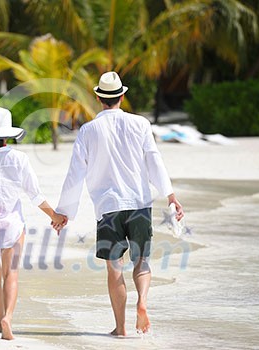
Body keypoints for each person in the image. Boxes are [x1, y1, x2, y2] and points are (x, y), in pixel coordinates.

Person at [53, 72, 184, 336]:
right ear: (122, 97)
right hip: (139, 203)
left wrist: (64, 212)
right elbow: (153, 160)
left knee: (115, 269)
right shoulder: (141, 124)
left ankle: (121, 328)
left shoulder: (88, 131)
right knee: (142, 260)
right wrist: (169, 194)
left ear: (99, 98)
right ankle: (143, 302)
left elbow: (75, 173)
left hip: (108, 208)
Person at [0, 107, 63, 340]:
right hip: (12, 224)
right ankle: (8, 317)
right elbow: (35, 195)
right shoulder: (19, 159)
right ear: (8, 135)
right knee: (12, 275)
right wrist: (54, 216)